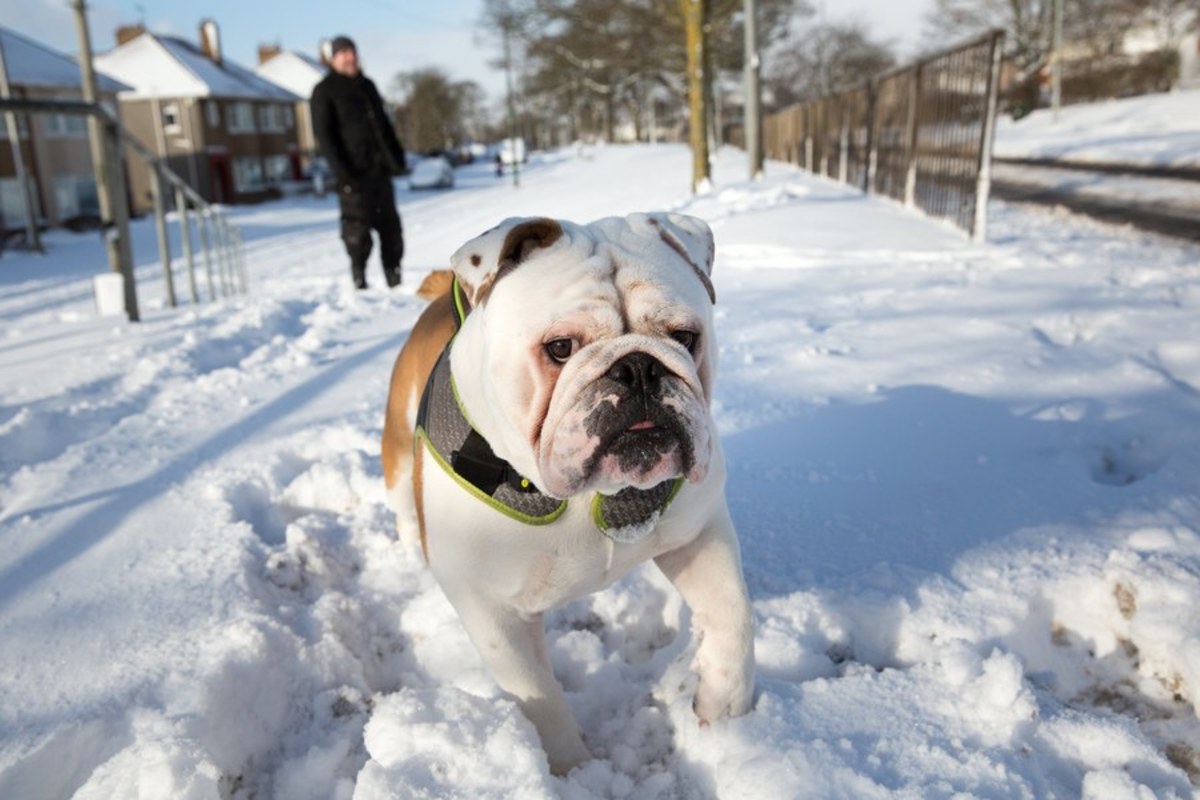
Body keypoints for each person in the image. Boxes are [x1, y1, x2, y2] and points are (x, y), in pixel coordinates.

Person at [311, 35, 407, 289]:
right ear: (333, 59)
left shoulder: (368, 86)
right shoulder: (324, 91)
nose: (350, 58)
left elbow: (384, 126)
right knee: (357, 233)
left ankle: (394, 276)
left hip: (379, 172)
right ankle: (359, 279)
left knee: (392, 231)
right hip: (352, 175)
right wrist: (343, 173)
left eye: (352, 53)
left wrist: (396, 157)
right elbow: (324, 137)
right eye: (343, 54)